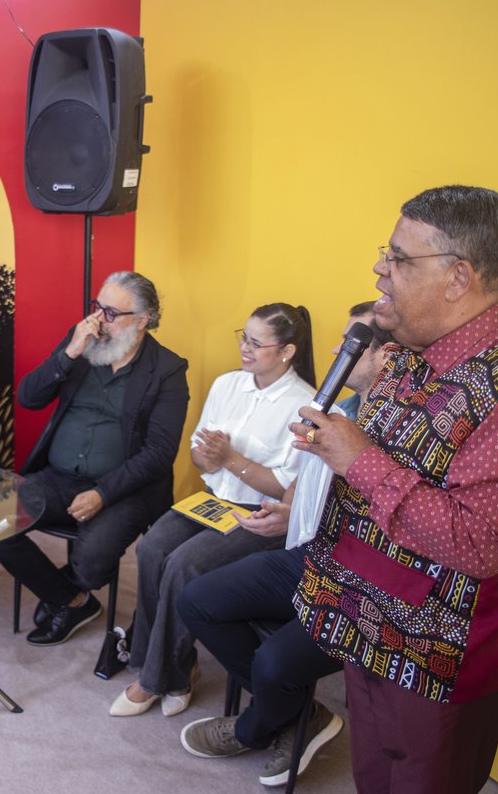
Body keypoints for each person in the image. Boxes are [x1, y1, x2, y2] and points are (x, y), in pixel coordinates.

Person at [301, 186, 498, 792]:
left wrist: (358, 459)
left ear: (457, 277)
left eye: (398, 257)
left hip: (437, 660)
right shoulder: (408, 352)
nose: (379, 268)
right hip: (366, 622)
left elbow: (481, 542)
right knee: (375, 776)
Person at [177, 303, 393, 788]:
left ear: (387, 356)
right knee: (196, 598)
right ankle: (300, 713)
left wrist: (239, 466)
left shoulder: (400, 423)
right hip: (311, 553)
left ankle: (257, 727)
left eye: (352, 344)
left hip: (365, 577)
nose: (335, 349)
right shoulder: (340, 409)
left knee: (274, 660)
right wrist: (290, 509)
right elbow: (302, 481)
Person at [110, 303, 316, 719]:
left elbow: (287, 488)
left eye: (256, 343)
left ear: (287, 351)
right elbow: (198, 455)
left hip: (259, 513)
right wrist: (207, 457)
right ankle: (175, 666)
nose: (245, 348)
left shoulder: (306, 405)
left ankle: (153, 679)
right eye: (244, 337)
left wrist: (230, 459)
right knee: (151, 549)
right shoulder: (227, 384)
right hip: (214, 499)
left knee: (183, 564)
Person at [0, 271, 189, 646]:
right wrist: (68, 354)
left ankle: (71, 587)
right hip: (58, 477)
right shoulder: (81, 343)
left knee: (94, 559)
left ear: (142, 320)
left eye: (111, 313)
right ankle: (72, 600)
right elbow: (28, 397)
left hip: (123, 490)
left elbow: (160, 453)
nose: (98, 319)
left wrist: (103, 494)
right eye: (98, 307)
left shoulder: (167, 370)